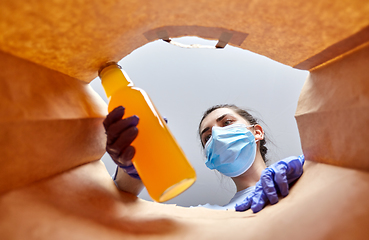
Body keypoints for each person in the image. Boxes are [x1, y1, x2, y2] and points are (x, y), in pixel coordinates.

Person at [103, 104, 304, 213]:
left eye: (227, 122)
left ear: (257, 132)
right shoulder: (212, 216)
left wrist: (308, 168)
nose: (217, 135)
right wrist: (130, 176)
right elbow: (116, 221)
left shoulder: (307, 173)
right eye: (207, 137)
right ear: (210, 157)